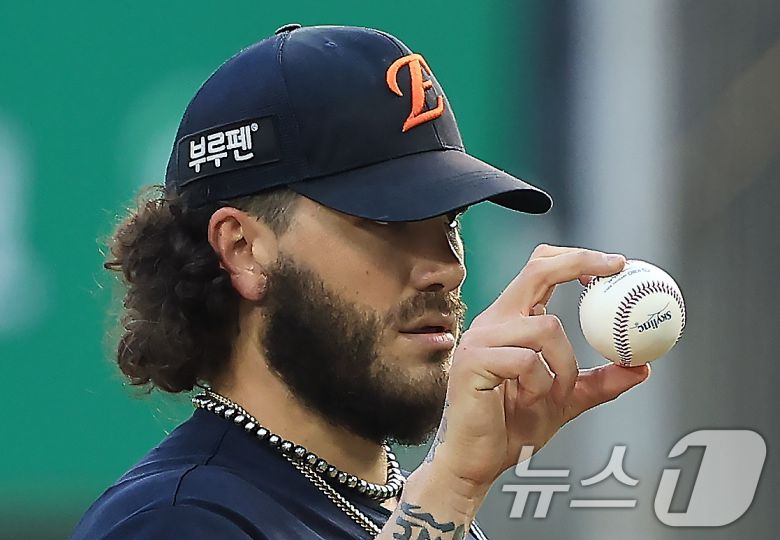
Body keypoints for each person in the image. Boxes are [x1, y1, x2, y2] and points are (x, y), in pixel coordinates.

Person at [71, 24, 649, 539]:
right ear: (242, 249)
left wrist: (455, 490)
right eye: (387, 221)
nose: (447, 267)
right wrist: (451, 487)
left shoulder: (407, 509)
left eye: (449, 222)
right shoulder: (173, 519)